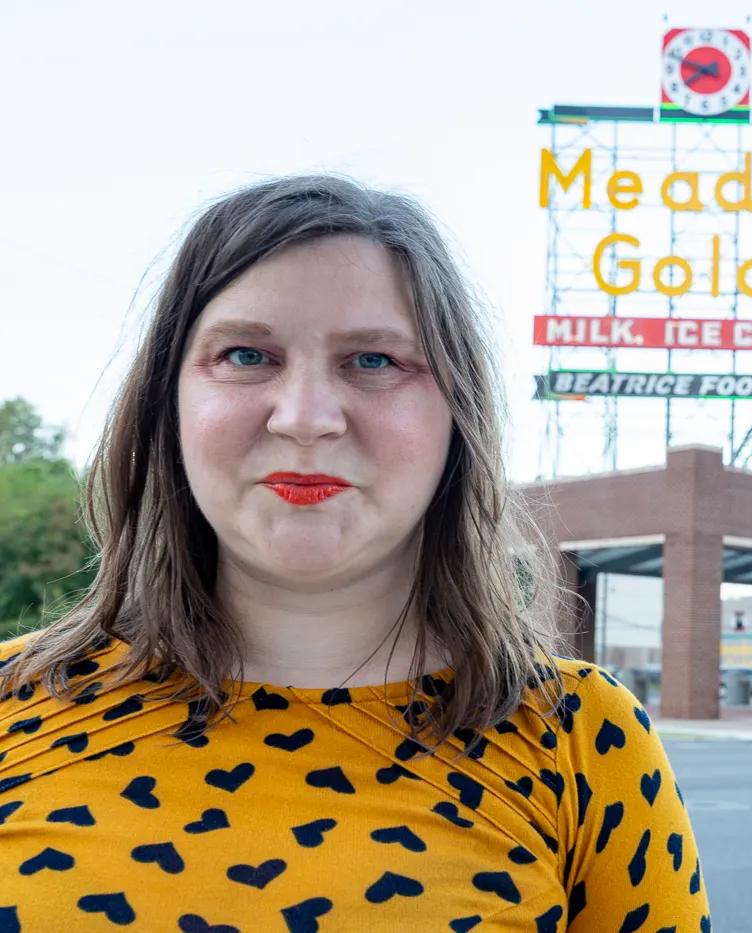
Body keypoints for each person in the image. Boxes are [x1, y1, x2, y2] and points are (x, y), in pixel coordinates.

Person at [0, 175, 710, 932]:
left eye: (372, 361)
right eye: (246, 354)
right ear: (166, 403)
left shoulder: (579, 739)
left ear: (456, 416)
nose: (305, 418)